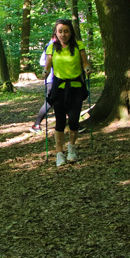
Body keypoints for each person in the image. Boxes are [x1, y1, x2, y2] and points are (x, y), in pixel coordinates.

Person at [41, 19, 92, 167]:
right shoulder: (51, 48)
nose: (63, 34)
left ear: (71, 32)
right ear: (56, 33)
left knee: (74, 120)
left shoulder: (78, 46)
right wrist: (44, 73)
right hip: (59, 88)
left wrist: (87, 69)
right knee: (60, 121)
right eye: (60, 31)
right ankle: (59, 153)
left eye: (66, 31)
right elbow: (48, 65)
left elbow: (85, 63)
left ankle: (71, 148)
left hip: (76, 86)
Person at [30, 38, 56, 134]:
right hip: (51, 79)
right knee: (49, 102)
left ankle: (73, 123)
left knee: (62, 101)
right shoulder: (50, 45)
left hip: (60, 79)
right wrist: (51, 64)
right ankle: (36, 125)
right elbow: (42, 61)